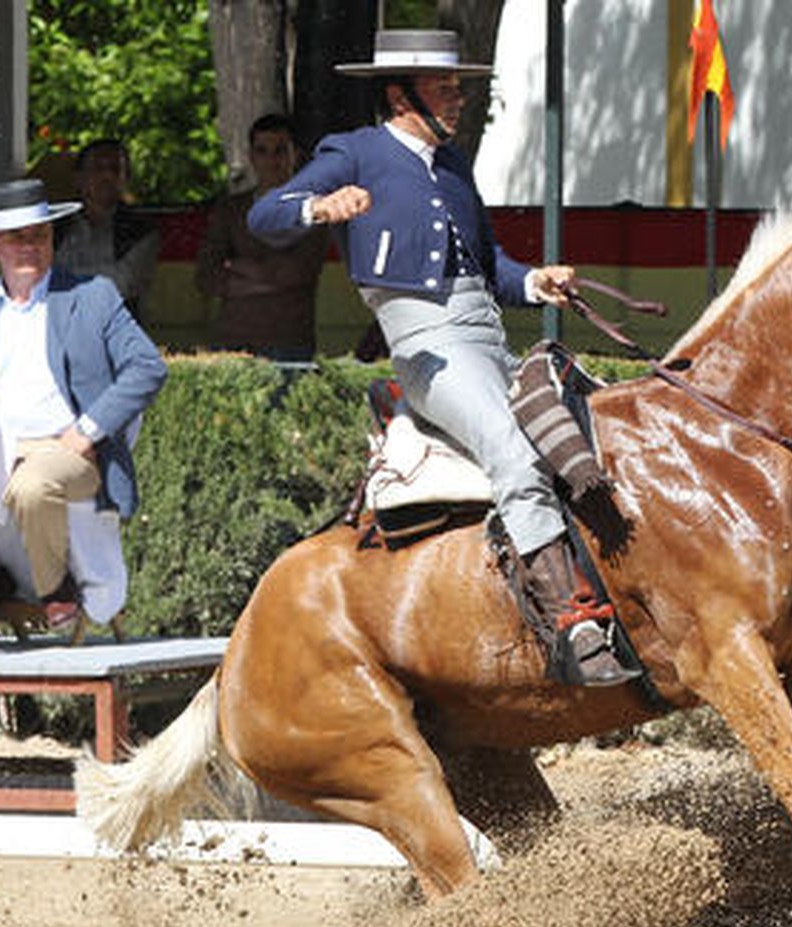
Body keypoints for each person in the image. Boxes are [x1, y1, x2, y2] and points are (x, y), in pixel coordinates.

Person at [247, 29, 635, 685]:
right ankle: (574, 622)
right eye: (444, 87)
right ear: (400, 95)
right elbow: (266, 214)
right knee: (513, 449)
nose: (458, 97)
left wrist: (535, 280)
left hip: (487, 335)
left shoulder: (454, 166)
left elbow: (488, 267)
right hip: (427, 345)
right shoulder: (356, 151)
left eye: (458, 86)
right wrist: (319, 205)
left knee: (583, 433)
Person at [0, 178, 167, 641]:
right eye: (17, 237)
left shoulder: (93, 296)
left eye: (39, 235)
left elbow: (147, 367)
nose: (30, 246)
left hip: (69, 451)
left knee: (32, 484)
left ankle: (53, 590)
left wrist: (87, 430)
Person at [195, 114, 331, 361]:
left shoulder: (315, 209)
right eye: (262, 151)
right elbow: (207, 276)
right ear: (251, 157)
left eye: (280, 151)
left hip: (289, 342)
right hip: (232, 343)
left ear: (295, 155)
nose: (271, 160)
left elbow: (300, 270)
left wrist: (236, 268)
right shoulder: (229, 210)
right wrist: (271, 280)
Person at [53, 139, 160, 317]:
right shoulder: (55, 226)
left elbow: (123, 284)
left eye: (115, 169)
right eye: (97, 168)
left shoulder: (141, 229)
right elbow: (37, 279)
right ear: (79, 177)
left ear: (126, 178)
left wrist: (63, 280)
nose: (107, 176)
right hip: (57, 322)